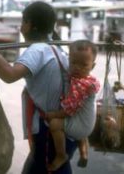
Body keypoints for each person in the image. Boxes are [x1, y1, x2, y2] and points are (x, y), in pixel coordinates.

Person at [0, 1, 80, 173]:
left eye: (23, 22)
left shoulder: (38, 50)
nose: (21, 27)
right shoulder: (57, 49)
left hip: (48, 131)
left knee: (45, 167)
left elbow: (9, 74)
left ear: (29, 25)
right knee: (55, 167)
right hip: (62, 128)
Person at [44, 40, 100, 171]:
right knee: (79, 126)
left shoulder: (82, 85)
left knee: (55, 124)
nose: (77, 68)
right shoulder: (87, 79)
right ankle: (84, 152)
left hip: (82, 126)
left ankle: (61, 155)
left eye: (83, 65)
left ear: (93, 66)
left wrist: (53, 114)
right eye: (73, 62)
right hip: (86, 122)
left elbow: (69, 110)